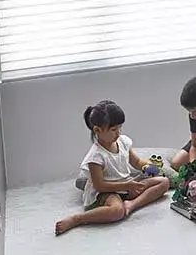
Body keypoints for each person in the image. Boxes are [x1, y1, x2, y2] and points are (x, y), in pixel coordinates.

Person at [55, 101, 170, 236]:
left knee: (164, 182)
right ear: (97, 130)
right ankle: (78, 219)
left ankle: (131, 205)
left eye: (120, 128)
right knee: (117, 211)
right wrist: (127, 185)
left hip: (126, 187)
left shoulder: (123, 142)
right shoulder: (96, 156)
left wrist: (147, 166)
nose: (118, 133)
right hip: (106, 192)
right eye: (114, 130)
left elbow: (137, 161)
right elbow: (100, 186)